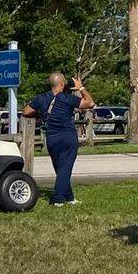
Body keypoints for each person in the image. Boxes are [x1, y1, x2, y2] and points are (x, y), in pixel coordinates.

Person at [21, 72, 94, 206]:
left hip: (51, 138)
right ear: (61, 84)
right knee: (65, 169)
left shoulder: (41, 98)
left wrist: (41, 113)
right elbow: (90, 103)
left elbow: (26, 111)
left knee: (61, 169)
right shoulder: (68, 98)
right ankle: (58, 199)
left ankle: (70, 197)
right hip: (68, 137)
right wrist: (81, 88)